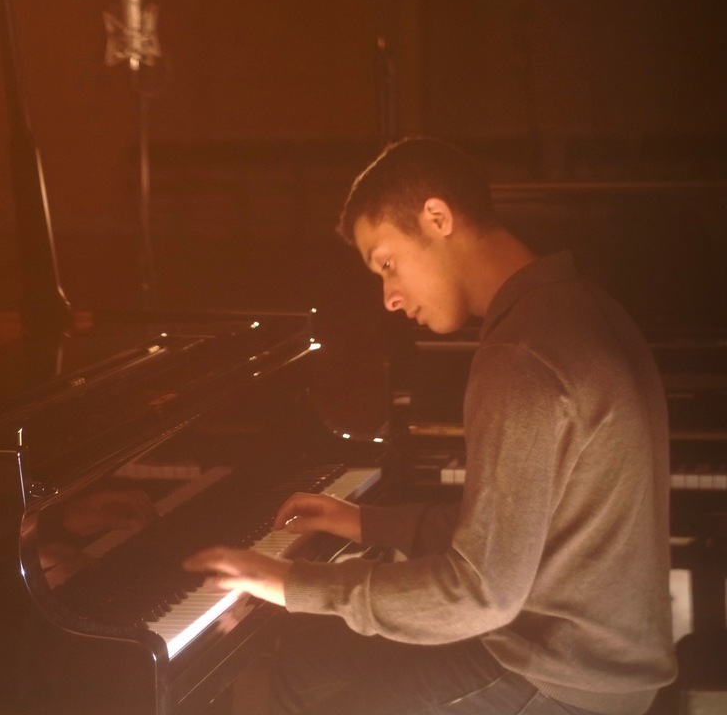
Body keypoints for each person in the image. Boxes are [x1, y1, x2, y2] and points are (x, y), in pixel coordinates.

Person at [184, 137, 676, 715]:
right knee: (304, 663)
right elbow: (512, 534)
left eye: (387, 264)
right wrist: (365, 523)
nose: (389, 298)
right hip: (585, 655)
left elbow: (479, 593)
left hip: (557, 678)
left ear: (437, 218)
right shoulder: (582, 307)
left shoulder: (521, 356)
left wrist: (288, 582)